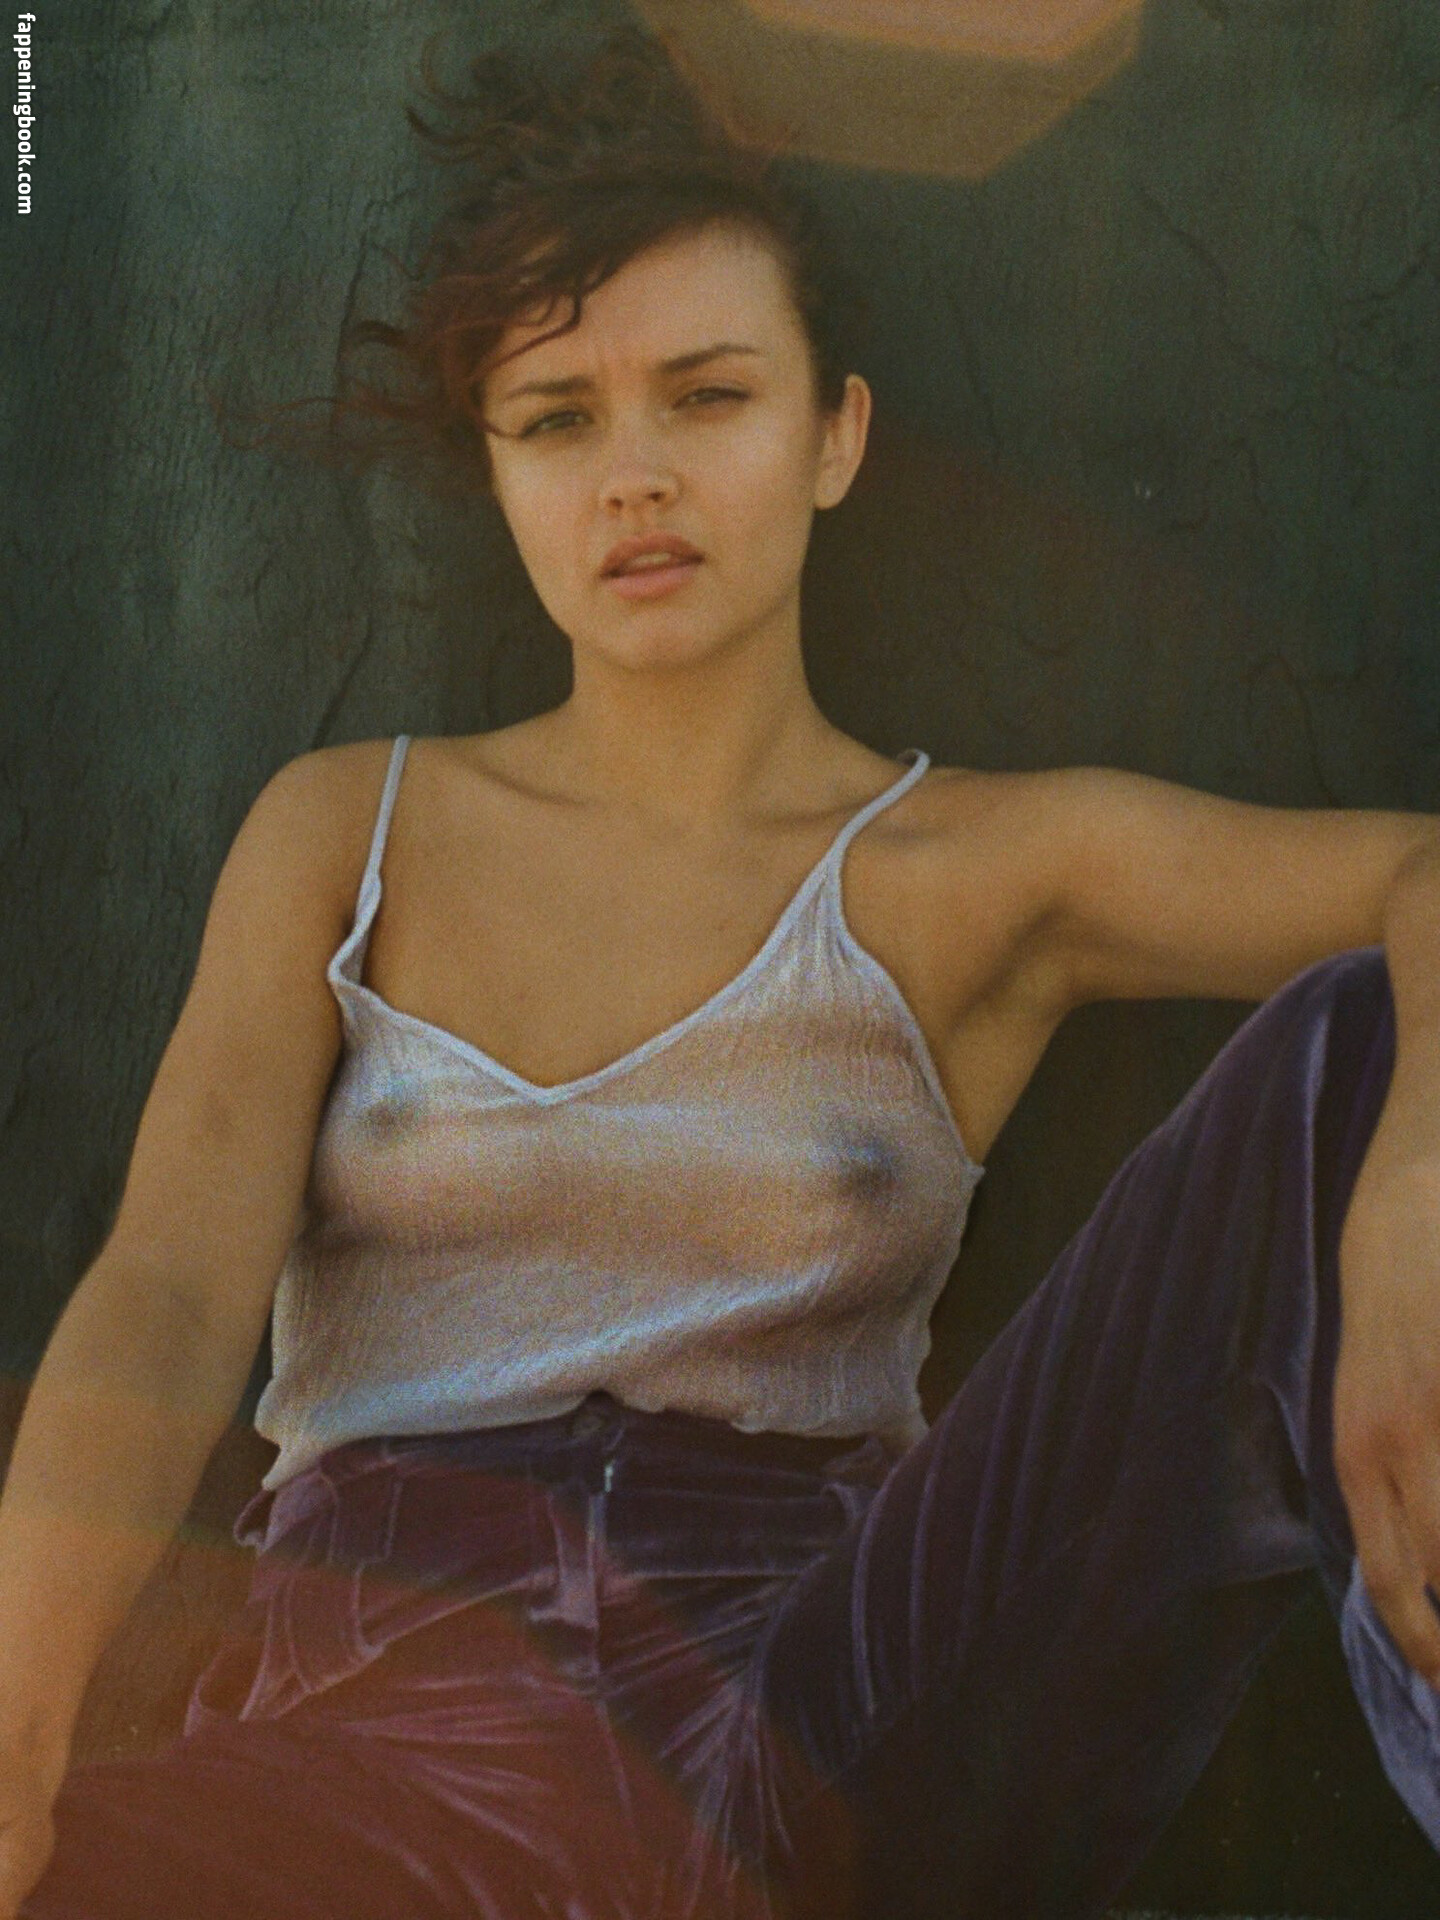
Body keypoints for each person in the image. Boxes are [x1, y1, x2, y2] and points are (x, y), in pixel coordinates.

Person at [3, 27, 1440, 1920]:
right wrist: (18, 1725)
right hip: (391, 1727)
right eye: (557, 419)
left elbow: (1423, 878)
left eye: (709, 396)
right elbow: (172, 1292)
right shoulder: (347, 833)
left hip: (832, 1717)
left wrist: (1413, 1193)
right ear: (496, 472)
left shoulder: (979, 870)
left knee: (1354, 1049)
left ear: (834, 437)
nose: (637, 479)